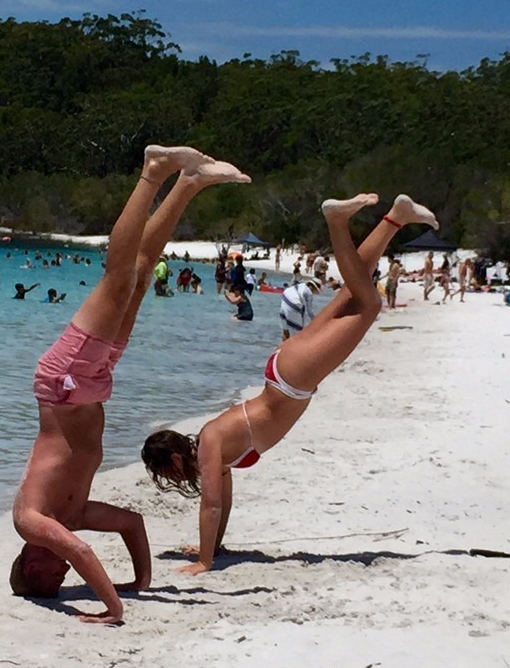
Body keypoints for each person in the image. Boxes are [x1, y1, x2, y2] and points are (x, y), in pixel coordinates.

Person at [11, 145, 251, 624]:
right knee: (139, 279)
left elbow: (78, 552)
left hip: (64, 384)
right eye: (61, 583)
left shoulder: (31, 521)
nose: (61, 578)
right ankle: (189, 183)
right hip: (91, 386)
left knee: (119, 277)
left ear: (31, 560)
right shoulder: (73, 513)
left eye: (50, 580)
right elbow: (131, 524)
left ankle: (153, 171)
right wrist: (141, 582)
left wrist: (113, 608)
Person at [141, 192, 438, 575]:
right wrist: (212, 546)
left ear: (176, 458)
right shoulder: (213, 447)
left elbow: (210, 505)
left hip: (292, 381)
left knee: (368, 304)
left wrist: (203, 562)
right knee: (351, 294)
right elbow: (223, 505)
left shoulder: (210, 445)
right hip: (286, 372)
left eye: (168, 473)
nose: (173, 479)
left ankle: (336, 222)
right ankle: (395, 218)